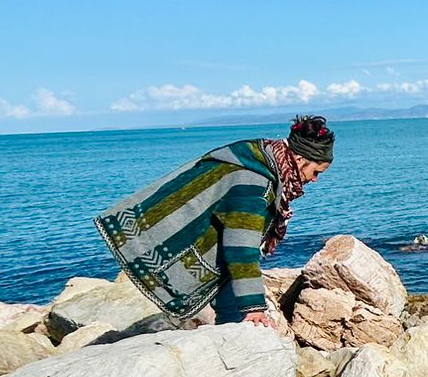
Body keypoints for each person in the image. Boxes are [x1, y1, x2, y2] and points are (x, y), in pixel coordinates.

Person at [95, 114, 335, 327]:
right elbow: (242, 246)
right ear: (300, 159)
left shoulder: (258, 155)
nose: (315, 180)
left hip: (163, 232)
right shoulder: (254, 182)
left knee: (231, 304)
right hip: (163, 240)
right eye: (316, 172)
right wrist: (254, 307)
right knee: (238, 314)